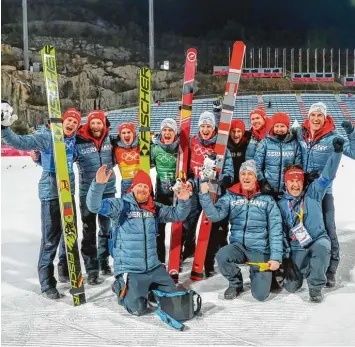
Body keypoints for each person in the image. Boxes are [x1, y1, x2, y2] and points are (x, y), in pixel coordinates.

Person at [1, 101, 81, 299]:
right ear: (62, 121)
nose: (71, 124)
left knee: (69, 234)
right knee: (50, 239)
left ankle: (65, 271)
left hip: (67, 191)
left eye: (75, 122)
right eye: (68, 120)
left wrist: (38, 159)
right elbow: (20, 142)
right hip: (51, 193)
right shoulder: (47, 137)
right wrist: (3, 128)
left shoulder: (73, 141)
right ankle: (47, 283)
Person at [86, 167, 191, 316]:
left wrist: (184, 200)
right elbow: (94, 206)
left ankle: (148, 288)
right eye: (139, 186)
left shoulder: (154, 208)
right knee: (138, 309)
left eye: (146, 187)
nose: (142, 189)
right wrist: (98, 185)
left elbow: (178, 215)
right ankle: (120, 285)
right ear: (133, 188)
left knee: (173, 300)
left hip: (153, 267)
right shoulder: (120, 205)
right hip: (131, 269)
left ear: (149, 191)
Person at [199, 160, 283, 301]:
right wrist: (204, 195)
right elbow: (214, 215)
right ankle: (235, 283)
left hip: (259, 249)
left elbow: (276, 230)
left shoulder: (267, 199)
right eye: (243, 173)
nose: (246, 177)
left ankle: (263, 275)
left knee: (260, 295)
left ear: (256, 177)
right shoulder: (231, 196)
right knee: (222, 255)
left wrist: (275, 258)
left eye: (250, 174)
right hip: (238, 247)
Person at [295, 102, 355, 286]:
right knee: (300, 228)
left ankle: (330, 270)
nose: (315, 118)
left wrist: (351, 134)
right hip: (302, 191)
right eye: (313, 115)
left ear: (325, 118)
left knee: (328, 228)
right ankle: (305, 265)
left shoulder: (332, 137)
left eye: (319, 115)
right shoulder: (301, 134)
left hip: (323, 191)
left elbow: (353, 152)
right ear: (308, 116)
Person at [278, 137, 344, 302]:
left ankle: (315, 287)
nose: (295, 185)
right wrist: (285, 260)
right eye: (291, 181)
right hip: (296, 246)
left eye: (298, 181)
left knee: (322, 248)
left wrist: (336, 153)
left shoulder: (313, 193)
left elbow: (328, 175)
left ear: (303, 182)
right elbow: (279, 233)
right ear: (285, 184)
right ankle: (307, 271)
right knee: (291, 287)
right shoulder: (281, 204)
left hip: (316, 240)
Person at [185, 111, 234, 277]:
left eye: (209, 126)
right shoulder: (192, 141)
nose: (205, 129)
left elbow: (228, 167)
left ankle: (208, 261)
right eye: (203, 126)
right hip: (194, 189)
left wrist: (226, 177)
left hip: (212, 189)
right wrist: (187, 179)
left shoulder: (220, 145)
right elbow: (185, 163)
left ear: (213, 128)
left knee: (211, 227)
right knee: (188, 222)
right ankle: (188, 248)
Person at [75, 110, 116, 283]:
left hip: (108, 190)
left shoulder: (110, 139)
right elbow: (62, 157)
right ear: (88, 124)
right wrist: (39, 158)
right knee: (89, 230)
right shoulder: (79, 140)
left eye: (99, 123)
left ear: (103, 124)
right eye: (93, 123)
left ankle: (103, 261)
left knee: (107, 229)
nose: (96, 126)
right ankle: (92, 269)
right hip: (87, 191)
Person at [151, 118, 179, 263]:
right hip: (161, 193)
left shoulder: (181, 148)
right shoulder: (155, 148)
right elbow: (145, 163)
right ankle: (160, 259)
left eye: (170, 130)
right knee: (159, 229)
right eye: (164, 130)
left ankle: (177, 258)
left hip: (177, 194)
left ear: (175, 132)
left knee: (179, 228)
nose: (167, 133)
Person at [255, 112, 302, 197]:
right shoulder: (264, 143)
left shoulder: (294, 144)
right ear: (273, 127)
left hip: (287, 191)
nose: (279, 129)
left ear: (288, 128)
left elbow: (297, 167)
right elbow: (257, 166)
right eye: (276, 126)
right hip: (268, 190)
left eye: (282, 126)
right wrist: (262, 182)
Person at [112, 122, 140, 194]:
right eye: (123, 133)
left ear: (133, 133)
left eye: (129, 132)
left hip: (141, 183)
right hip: (126, 186)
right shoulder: (116, 149)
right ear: (120, 135)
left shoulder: (141, 145)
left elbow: (151, 163)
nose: (126, 135)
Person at [228, 119, 251, 183]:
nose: (236, 134)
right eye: (233, 131)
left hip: (243, 181)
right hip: (228, 181)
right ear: (229, 132)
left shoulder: (248, 143)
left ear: (243, 132)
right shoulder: (225, 144)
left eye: (239, 131)